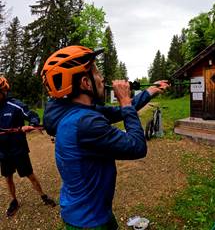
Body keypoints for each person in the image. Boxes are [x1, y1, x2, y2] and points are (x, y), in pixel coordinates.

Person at [41, 45, 169, 230]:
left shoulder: (78, 113)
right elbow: (137, 146)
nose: (102, 78)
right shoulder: (86, 123)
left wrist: (149, 92)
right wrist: (125, 101)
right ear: (86, 83)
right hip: (89, 220)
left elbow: (117, 113)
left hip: (87, 210)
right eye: (97, 73)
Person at [0, 76, 56, 217]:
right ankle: (14, 200)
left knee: (29, 175)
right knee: (8, 177)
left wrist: (33, 123)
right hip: (3, 152)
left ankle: (43, 196)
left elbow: (31, 114)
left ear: (3, 91)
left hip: (18, 149)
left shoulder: (15, 105)